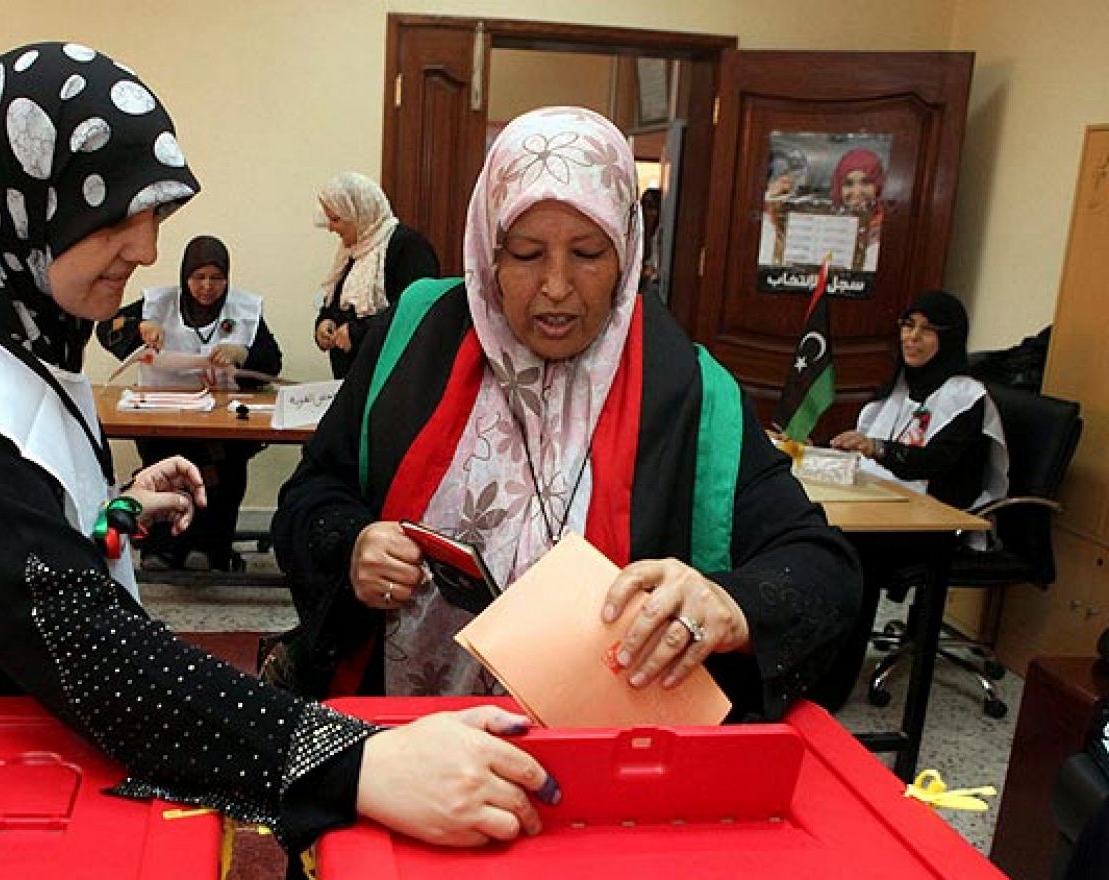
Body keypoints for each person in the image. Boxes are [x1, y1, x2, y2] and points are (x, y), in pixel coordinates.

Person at [0, 41, 558, 864]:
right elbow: (85, 646)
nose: (148, 249)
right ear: (24, 198)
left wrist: (101, 509)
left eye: (155, 215)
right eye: (116, 215)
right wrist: (357, 759)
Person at [271, 107, 860, 719]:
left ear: (627, 254)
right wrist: (353, 545)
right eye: (526, 254)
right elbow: (313, 493)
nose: (556, 285)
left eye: (587, 253)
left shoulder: (690, 391)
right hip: (406, 740)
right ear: (488, 253)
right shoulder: (414, 341)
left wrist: (728, 604)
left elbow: (824, 570)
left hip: (601, 762)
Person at [816, 289, 1009, 709]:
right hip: (891, 506)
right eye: (908, 326)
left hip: (939, 524)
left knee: (851, 550)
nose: (912, 338)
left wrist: (879, 448)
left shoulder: (965, 396)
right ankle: (807, 661)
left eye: (926, 330)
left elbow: (937, 463)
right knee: (818, 530)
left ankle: (831, 687)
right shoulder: (901, 387)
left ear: (950, 339)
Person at [96, 235, 282, 571]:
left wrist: (243, 354)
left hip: (218, 421)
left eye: (216, 278)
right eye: (198, 278)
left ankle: (209, 549)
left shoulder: (243, 309)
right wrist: (141, 328)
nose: (207, 287)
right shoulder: (158, 303)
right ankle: (159, 549)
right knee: (163, 472)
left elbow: (271, 364)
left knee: (219, 476)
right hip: (163, 415)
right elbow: (106, 327)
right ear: (185, 277)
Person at [312, 172, 440, 378]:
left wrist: (357, 333)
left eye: (336, 220)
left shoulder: (407, 247)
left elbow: (413, 314)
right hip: (351, 380)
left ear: (359, 213)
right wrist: (324, 324)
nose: (331, 228)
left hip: (392, 380)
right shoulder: (351, 252)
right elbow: (336, 304)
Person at [830, 147, 884, 271]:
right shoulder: (829, 227)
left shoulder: (888, 231)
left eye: (866, 182)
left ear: (879, 185)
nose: (857, 192)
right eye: (848, 184)